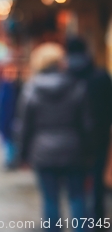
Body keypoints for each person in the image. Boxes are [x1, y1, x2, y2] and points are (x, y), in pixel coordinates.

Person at [16, 42, 93, 232]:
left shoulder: (31, 89)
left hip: (43, 152)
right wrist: (89, 150)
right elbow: (86, 123)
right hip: (73, 150)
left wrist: (22, 154)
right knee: (77, 198)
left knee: (50, 200)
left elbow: (24, 126)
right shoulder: (76, 85)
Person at [65, 36, 112, 230]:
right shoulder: (100, 76)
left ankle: (81, 223)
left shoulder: (65, 76)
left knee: (76, 186)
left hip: (72, 139)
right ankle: (98, 219)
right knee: (97, 182)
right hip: (99, 136)